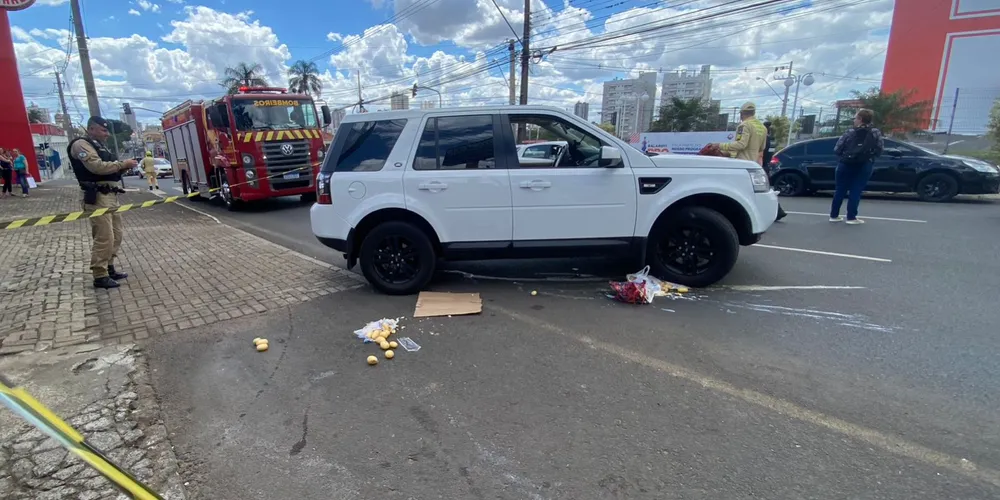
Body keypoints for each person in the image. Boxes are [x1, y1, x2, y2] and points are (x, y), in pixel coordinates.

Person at [68, 116, 138, 289]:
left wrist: (123, 167)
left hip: (110, 195)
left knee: (116, 234)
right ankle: (100, 274)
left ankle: (109, 266)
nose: (106, 134)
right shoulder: (81, 145)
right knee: (104, 236)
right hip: (98, 197)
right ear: (91, 128)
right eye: (103, 130)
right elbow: (96, 167)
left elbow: (108, 166)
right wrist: (122, 164)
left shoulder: (99, 145)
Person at [830, 108, 884, 225]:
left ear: (860, 119)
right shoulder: (875, 132)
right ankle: (851, 217)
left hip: (845, 164)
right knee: (856, 190)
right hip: (864, 165)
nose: (854, 120)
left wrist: (844, 157)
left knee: (840, 189)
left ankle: (834, 215)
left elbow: (837, 149)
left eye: (855, 118)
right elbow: (880, 149)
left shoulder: (849, 132)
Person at [761, 121, 787, 222]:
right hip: (767, 165)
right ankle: (778, 211)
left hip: (762, 166)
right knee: (766, 191)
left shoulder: (765, 139)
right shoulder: (772, 140)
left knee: (764, 192)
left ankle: (777, 212)